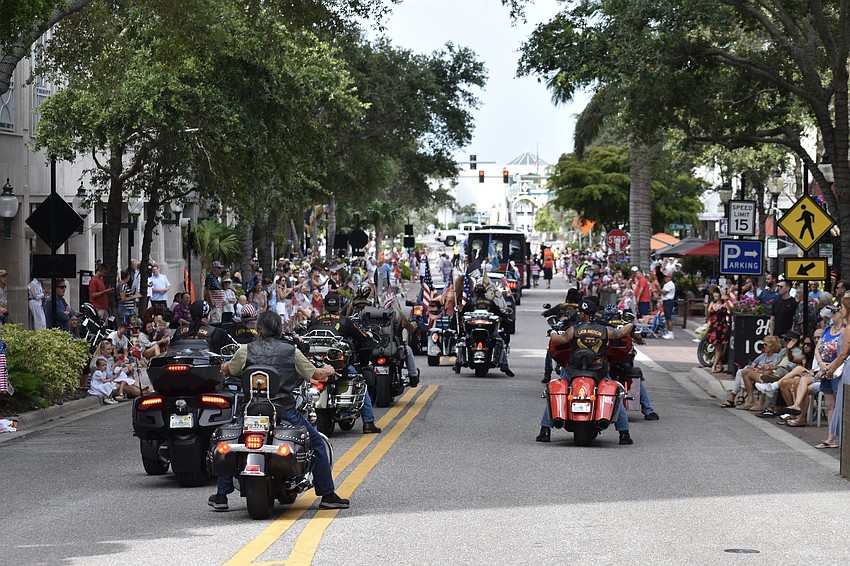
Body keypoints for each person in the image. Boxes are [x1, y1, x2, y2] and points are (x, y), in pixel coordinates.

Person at [212, 310, 350, 511]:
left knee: (234, 441)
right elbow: (316, 374)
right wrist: (329, 369)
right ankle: (327, 494)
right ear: (279, 329)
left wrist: (224, 365)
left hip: (251, 411)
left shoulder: (245, 350)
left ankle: (221, 496)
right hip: (284, 411)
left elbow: (228, 370)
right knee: (317, 443)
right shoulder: (291, 351)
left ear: (259, 331)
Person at [538, 297, 636, 445]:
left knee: (558, 391)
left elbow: (559, 340)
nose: (579, 314)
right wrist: (630, 324)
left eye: (580, 312)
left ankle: (545, 430)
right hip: (599, 371)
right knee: (616, 394)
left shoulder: (573, 330)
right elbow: (621, 333)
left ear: (583, 314)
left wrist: (552, 332)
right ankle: (624, 434)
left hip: (574, 370)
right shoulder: (605, 330)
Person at [309, 292, 383, 434]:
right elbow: (361, 338)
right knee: (360, 383)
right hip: (339, 366)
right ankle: (368, 422)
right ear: (339, 305)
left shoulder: (315, 320)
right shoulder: (345, 321)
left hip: (315, 365)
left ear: (325, 305)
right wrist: (369, 336)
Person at [456, 283, 514, 376]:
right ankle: (504, 364)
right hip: (488, 330)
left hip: (473, 330)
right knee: (500, 341)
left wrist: (460, 316)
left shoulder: (471, 302)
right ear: (485, 292)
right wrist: (505, 318)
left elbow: (462, 313)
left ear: (475, 292)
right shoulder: (490, 302)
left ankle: (458, 363)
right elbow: (499, 313)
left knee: (463, 340)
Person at [707, 288, 733, 373]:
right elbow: (707, 314)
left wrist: (727, 300)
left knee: (719, 347)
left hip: (721, 327)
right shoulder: (712, 304)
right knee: (716, 347)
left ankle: (714, 365)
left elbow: (731, 310)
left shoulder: (724, 304)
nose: (715, 295)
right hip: (713, 326)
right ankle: (720, 365)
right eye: (714, 293)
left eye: (716, 293)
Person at [660, 271, 676, 339]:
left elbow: (664, 292)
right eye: (665, 277)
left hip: (668, 301)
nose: (665, 278)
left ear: (670, 277)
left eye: (666, 277)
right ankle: (669, 332)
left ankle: (670, 333)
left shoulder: (669, 284)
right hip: (666, 301)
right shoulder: (667, 284)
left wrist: (658, 288)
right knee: (667, 317)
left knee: (668, 317)